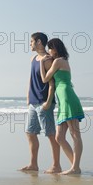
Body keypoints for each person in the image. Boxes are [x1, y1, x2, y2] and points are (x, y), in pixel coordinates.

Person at [40, 38, 85, 175]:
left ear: (56, 49)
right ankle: (75, 166)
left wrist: (42, 63)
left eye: (50, 48)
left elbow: (45, 79)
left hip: (67, 97)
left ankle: (75, 168)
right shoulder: (61, 61)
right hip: (63, 99)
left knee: (75, 133)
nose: (49, 51)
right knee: (59, 137)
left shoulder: (59, 61)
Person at [20, 32, 61, 174]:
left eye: (31, 41)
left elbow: (52, 83)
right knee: (30, 132)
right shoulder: (33, 59)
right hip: (33, 102)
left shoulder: (47, 60)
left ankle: (56, 165)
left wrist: (49, 101)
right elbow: (31, 79)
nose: (30, 44)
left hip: (44, 103)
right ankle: (33, 164)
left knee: (50, 134)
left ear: (38, 42)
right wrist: (28, 98)